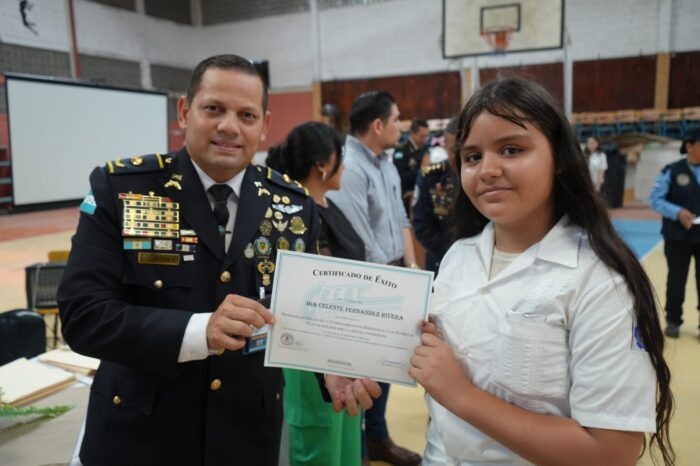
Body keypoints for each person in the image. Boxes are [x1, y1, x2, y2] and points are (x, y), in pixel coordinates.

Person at [57, 54, 379, 466]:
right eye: (214, 109)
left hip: (247, 438)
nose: (230, 126)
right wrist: (199, 330)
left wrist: (329, 366)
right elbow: (84, 316)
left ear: (264, 125)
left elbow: (302, 313)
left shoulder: (294, 206)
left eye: (246, 115)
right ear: (184, 111)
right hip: (141, 435)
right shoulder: (125, 190)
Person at [409, 78, 674, 466]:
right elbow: (438, 365)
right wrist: (363, 362)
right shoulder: (458, 257)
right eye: (472, 156)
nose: (487, 170)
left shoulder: (600, 281)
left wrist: (461, 395)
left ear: (560, 158)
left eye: (511, 149)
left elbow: (612, 453)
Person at [327, 91, 421, 466]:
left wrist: (411, 268)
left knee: (386, 365)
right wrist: (387, 284)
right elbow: (357, 239)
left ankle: (378, 439)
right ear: (378, 125)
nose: (401, 126)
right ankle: (362, 450)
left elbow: (401, 218)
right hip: (370, 280)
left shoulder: (386, 163)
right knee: (360, 371)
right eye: (397, 119)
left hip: (394, 272)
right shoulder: (351, 166)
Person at [266, 121, 364, 466]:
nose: (345, 166)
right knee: (318, 441)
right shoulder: (296, 214)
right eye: (341, 158)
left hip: (346, 339)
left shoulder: (327, 205)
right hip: (311, 345)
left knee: (347, 437)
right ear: (322, 164)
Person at [649, 127, 700, 338]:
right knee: (676, 279)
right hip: (677, 236)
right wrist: (677, 212)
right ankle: (673, 320)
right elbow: (655, 200)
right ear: (690, 146)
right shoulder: (671, 170)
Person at [412, 117, 459, 273]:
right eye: (452, 150)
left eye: (463, 149)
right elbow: (421, 225)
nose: (457, 156)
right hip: (440, 259)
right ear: (445, 145)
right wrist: (453, 253)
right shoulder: (431, 176)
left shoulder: (481, 176)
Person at [394, 118, 431, 215]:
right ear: (412, 134)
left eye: (427, 136)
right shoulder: (402, 150)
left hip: (423, 196)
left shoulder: (426, 149)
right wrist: (422, 169)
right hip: (407, 199)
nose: (425, 139)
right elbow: (399, 177)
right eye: (422, 136)